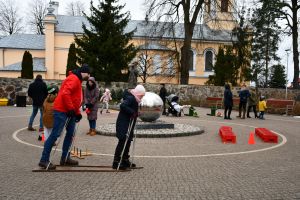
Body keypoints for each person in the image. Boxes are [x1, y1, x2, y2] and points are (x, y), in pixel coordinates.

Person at [38, 64, 90, 170]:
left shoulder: (77, 79)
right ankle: (44, 160)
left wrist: (77, 113)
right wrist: (71, 109)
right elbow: (65, 93)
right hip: (62, 110)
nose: (89, 76)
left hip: (68, 111)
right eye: (88, 74)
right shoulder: (74, 79)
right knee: (55, 135)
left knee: (71, 134)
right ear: (84, 72)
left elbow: (74, 98)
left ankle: (65, 158)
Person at [112, 84, 146, 170]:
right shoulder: (131, 98)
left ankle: (125, 159)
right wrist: (132, 112)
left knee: (128, 141)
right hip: (123, 123)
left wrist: (137, 113)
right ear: (138, 94)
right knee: (123, 141)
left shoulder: (136, 99)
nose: (142, 97)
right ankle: (116, 162)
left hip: (129, 123)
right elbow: (123, 106)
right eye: (141, 95)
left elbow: (133, 110)